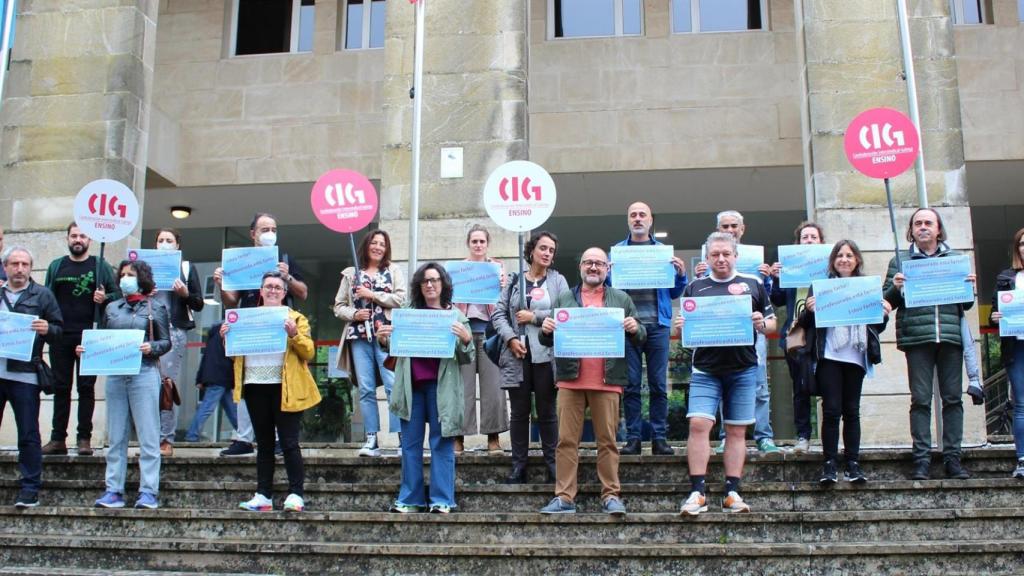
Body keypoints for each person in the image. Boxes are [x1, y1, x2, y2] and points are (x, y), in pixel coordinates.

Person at [537, 248, 645, 515]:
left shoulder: (620, 299)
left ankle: (611, 495)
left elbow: (641, 335)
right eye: (588, 262)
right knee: (565, 441)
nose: (593, 267)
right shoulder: (564, 298)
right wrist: (545, 329)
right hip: (570, 381)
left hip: (607, 381)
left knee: (607, 441)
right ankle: (564, 497)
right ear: (581, 267)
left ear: (607, 268)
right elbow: (546, 338)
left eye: (598, 263)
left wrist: (634, 327)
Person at [675, 232, 776, 516]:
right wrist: (680, 326)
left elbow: (771, 323)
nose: (720, 259)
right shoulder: (695, 287)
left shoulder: (753, 284)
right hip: (705, 369)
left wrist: (761, 323)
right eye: (715, 254)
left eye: (726, 254)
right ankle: (697, 492)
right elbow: (678, 332)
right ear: (706, 258)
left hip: (743, 369)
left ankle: (732, 491)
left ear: (735, 256)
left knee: (736, 430)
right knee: (698, 424)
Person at [883, 207, 976, 480]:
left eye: (928, 223)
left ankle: (953, 460)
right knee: (920, 400)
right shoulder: (899, 262)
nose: (923, 227)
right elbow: (886, 301)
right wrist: (895, 287)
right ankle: (921, 460)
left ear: (938, 230)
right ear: (911, 231)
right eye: (918, 223)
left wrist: (969, 288)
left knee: (952, 399)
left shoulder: (955, 259)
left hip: (949, 337)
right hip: (917, 338)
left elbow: (966, 303)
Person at [377, 263, 474, 513]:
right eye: (425, 281)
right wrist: (385, 339)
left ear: (444, 284)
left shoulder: (456, 316)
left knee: (442, 443)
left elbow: (468, 356)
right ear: (419, 286)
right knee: (410, 444)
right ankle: (411, 499)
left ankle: (442, 500)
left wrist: (466, 339)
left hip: (442, 389)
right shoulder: (407, 313)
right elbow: (393, 347)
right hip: (412, 388)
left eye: (435, 280)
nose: (430, 285)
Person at [795, 240, 891, 484]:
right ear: (833, 261)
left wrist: (884, 314)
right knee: (831, 410)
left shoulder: (868, 287)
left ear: (857, 260)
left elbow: (876, 327)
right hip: (829, 356)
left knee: (852, 411)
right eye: (839, 255)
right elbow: (805, 324)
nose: (844, 259)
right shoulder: (820, 287)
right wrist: (809, 310)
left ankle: (852, 463)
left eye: (849, 255)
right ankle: (829, 464)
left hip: (856, 357)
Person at [226, 271, 321, 512]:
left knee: (289, 442)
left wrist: (294, 335)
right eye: (268, 286)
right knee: (264, 444)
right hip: (255, 384)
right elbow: (235, 353)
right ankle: (263, 495)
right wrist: (227, 337)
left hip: (285, 386)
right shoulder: (246, 318)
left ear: (284, 293)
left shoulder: (296, 318)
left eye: (277, 287)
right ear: (261, 291)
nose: (272, 291)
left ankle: (296, 494)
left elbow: (309, 352)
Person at [214, 212, 307, 457]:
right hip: (247, 327)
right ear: (253, 233)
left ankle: (277, 438)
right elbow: (231, 300)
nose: (270, 234)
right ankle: (243, 438)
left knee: (277, 379)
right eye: (264, 229)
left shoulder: (284, 259)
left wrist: (286, 276)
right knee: (246, 380)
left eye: (274, 229)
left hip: (277, 326)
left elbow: (303, 292)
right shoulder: (240, 260)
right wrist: (221, 284)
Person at [88, 260, 171, 509]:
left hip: (144, 372)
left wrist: (151, 347)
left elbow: (166, 342)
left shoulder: (155, 307)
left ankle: (149, 491)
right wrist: (88, 350)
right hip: (115, 375)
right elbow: (102, 339)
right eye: (122, 274)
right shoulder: (112, 308)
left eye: (130, 274)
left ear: (142, 278)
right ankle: (113, 489)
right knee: (116, 436)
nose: (125, 278)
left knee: (148, 435)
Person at [698, 210, 780, 456]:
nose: (730, 230)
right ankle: (725, 437)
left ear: (742, 229)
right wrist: (699, 274)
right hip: (721, 334)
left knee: (760, 386)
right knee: (726, 384)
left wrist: (767, 278)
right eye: (725, 226)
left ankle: (764, 436)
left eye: (734, 226)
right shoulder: (709, 261)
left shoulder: (754, 264)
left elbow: (767, 305)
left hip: (752, 334)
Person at [492, 231, 570, 484]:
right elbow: (498, 315)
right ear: (532, 251)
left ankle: (553, 467)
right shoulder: (515, 281)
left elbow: (566, 312)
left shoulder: (558, 281)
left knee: (548, 412)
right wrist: (511, 339)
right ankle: (518, 467)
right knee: (519, 413)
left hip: (547, 355)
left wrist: (534, 317)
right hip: (517, 355)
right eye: (543, 248)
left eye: (551, 250)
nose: (547, 253)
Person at [610, 202, 687, 456]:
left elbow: (674, 292)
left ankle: (659, 439)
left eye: (642, 215)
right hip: (628, 327)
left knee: (658, 386)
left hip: (658, 326)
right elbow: (610, 292)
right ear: (628, 220)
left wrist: (681, 275)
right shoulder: (617, 253)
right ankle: (633, 439)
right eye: (633, 215)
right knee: (631, 385)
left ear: (651, 220)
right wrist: (608, 274)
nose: (638, 218)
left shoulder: (664, 253)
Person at [43, 223, 121, 456]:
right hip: (60, 335)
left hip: (90, 336)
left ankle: (84, 438)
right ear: (67, 239)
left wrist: (104, 297)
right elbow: (46, 298)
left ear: (90, 240)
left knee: (86, 388)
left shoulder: (100, 266)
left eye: (83, 236)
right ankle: (58, 439)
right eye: (74, 236)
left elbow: (117, 295)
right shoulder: (56, 266)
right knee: (61, 388)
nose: (78, 239)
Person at [333, 229, 406, 457]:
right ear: (366, 245)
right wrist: (355, 314)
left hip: (386, 334)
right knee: (365, 388)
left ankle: (402, 437)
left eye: (382, 244)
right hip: (359, 336)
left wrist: (372, 295)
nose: (377, 247)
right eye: (374, 243)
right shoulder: (350, 273)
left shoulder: (393, 270)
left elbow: (401, 299)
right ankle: (371, 438)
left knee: (393, 384)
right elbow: (338, 306)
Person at [1, 246, 63, 507]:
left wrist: (47, 329)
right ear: (5, 267)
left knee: (28, 433)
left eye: (25, 264)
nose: (19, 269)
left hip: (25, 374)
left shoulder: (43, 295)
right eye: (14, 264)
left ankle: (30, 488)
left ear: (30, 267)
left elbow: (60, 330)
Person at [769, 221, 826, 453]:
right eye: (805, 237)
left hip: (824, 334)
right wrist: (776, 277)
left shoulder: (830, 267)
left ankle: (830, 437)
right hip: (796, 335)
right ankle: (803, 436)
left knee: (829, 385)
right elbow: (778, 299)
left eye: (814, 237)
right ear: (798, 242)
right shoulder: (790, 268)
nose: (809, 241)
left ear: (821, 242)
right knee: (800, 388)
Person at [454, 224, 508, 455]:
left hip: (490, 332)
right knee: (461, 388)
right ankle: (458, 437)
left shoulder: (497, 267)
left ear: (487, 244)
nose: (478, 245)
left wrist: (503, 286)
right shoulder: (458, 269)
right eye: (474, 241)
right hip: (463, 331)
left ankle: (493, 437)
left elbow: (505, 300)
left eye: (482, 241)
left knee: (493, 387)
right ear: (469, 244)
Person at [152, 228, 204, 457]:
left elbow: (199, 302)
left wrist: (184, 293)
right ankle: (149, 438)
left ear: (177, 246)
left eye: (169, 240)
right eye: (160, 240)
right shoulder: (144, 267)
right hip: (145, 331)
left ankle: (165, 438)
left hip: (173, 329)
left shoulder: (185, 267)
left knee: (166, 385)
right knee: (145, 387)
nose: (164, 244)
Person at [989, 226, 1024, 479]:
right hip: (1017, 347)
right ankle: (1022, 459)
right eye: (1022, 243)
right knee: (1021, 405)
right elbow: (993, 315)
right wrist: (994, 316)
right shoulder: (1006, 277)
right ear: (1017, 249)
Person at [184, 322, 238, 442]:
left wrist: (200, 378)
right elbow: (231, 360)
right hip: (222, 376)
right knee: (207, 407)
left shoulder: (213, 335)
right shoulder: (229, 336)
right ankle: (192, 435)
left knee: (231, 409)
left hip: (215, 376)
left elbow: (205, 358)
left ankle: (246, 435)